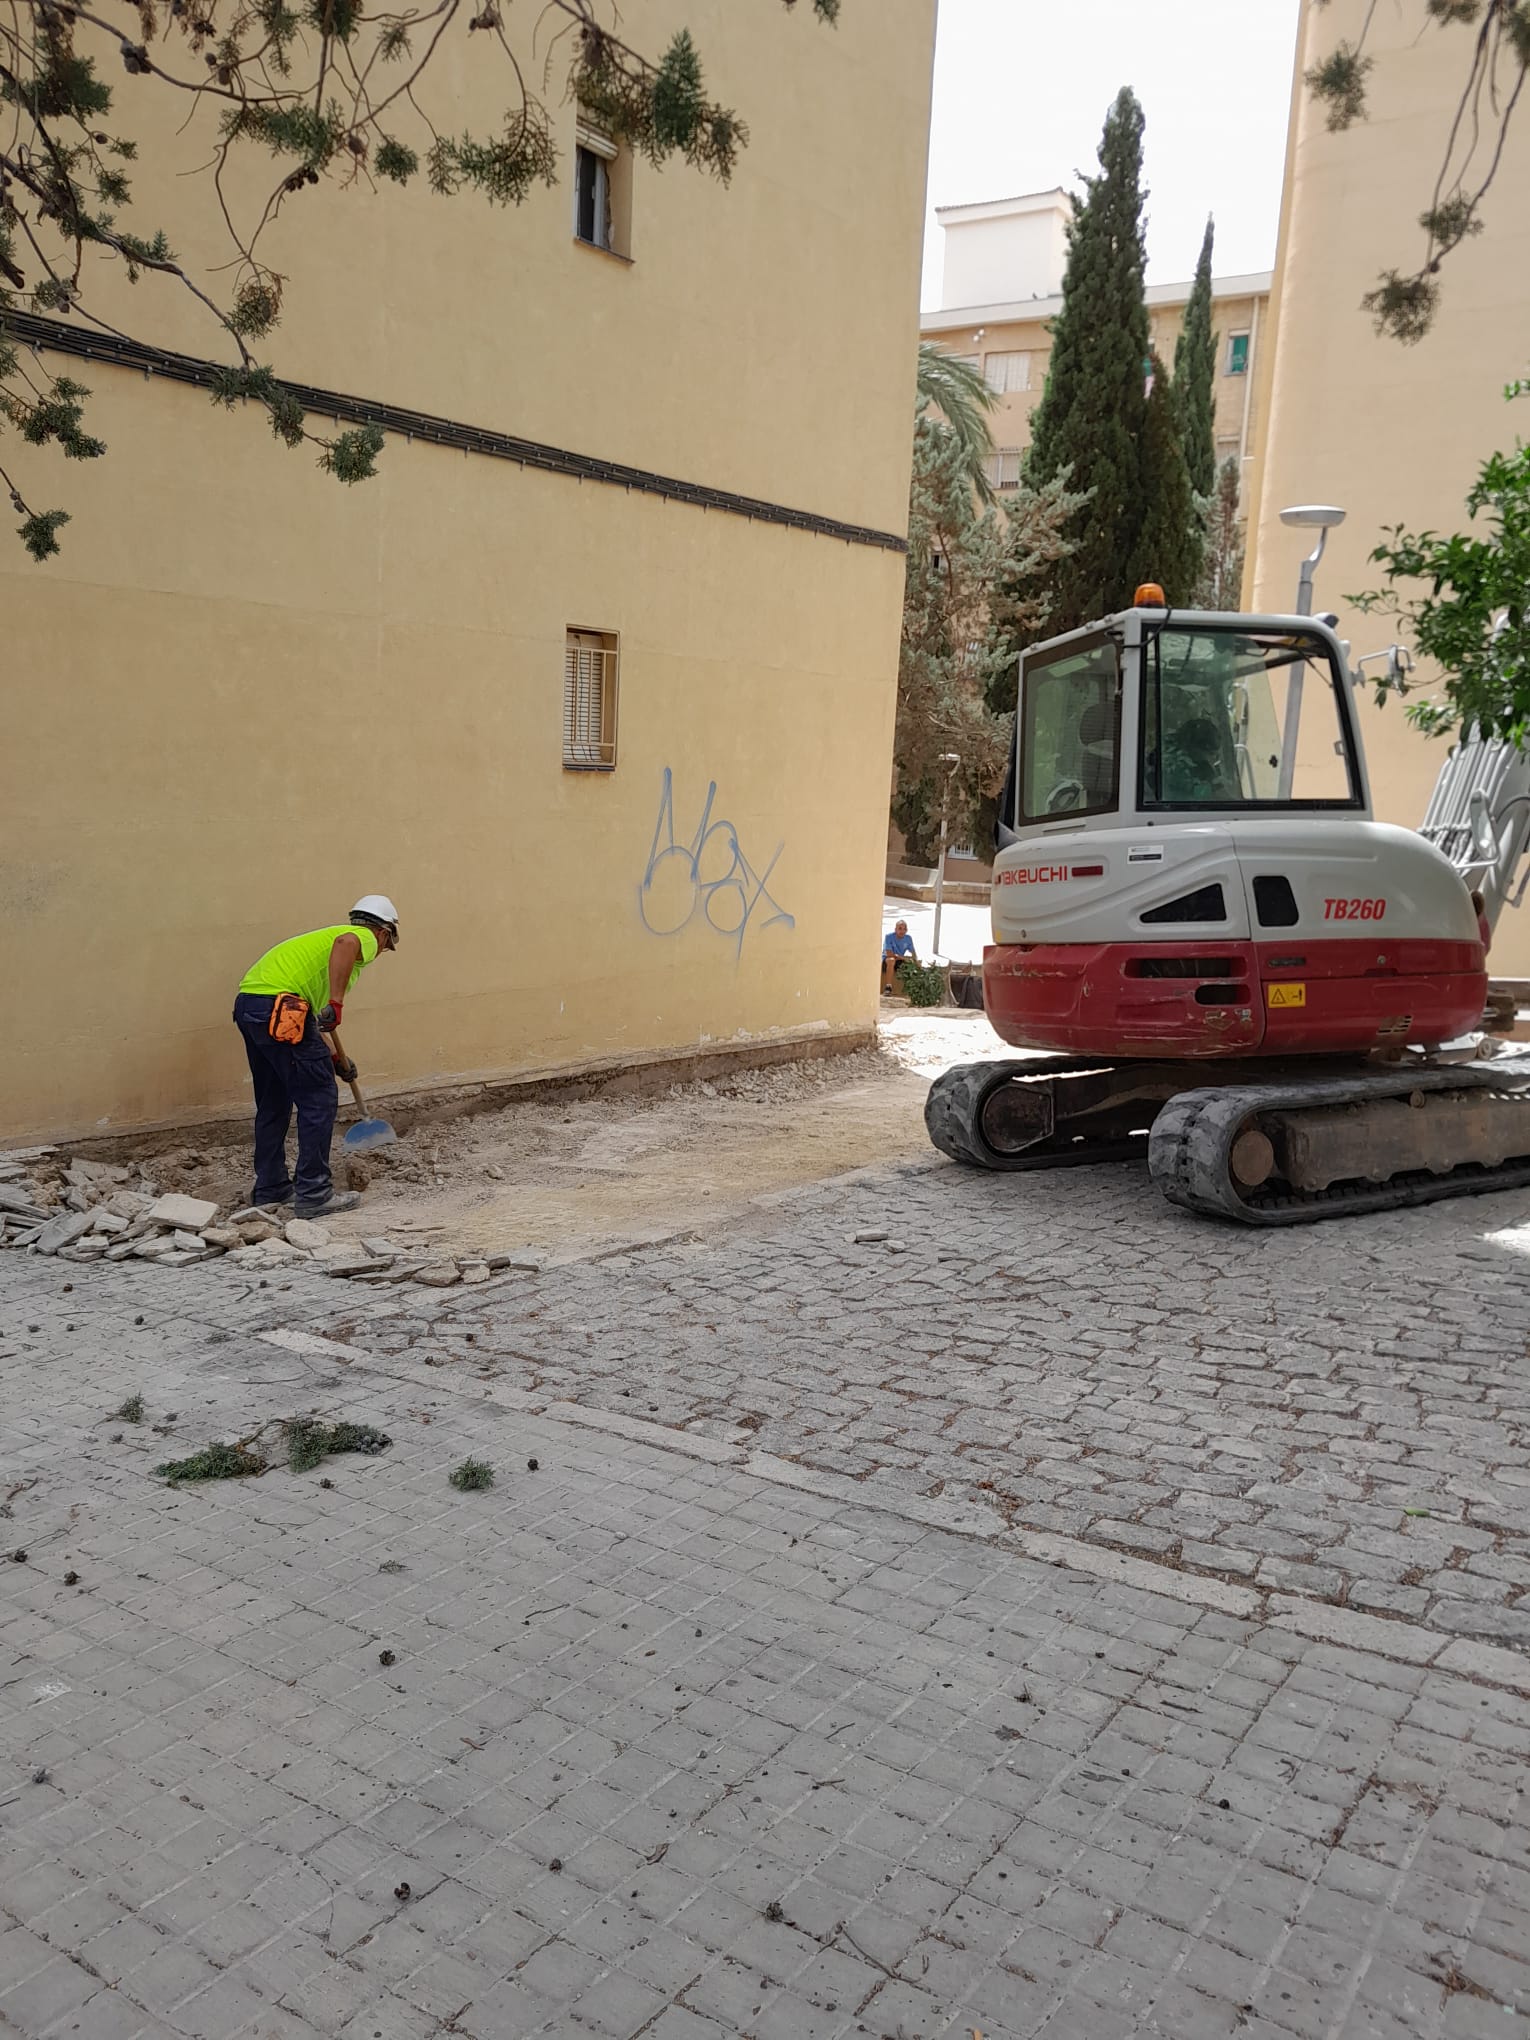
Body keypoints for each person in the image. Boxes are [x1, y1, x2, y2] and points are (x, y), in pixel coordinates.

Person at [233, 896, 399, 1218]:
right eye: (386, 945)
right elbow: (347, 942)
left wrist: (337, 1058)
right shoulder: (357, 936)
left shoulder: (317, 956)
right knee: (319, 1098)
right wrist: (337, 1003)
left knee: (274, 1101)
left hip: (253, 1006)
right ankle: (314, 1192)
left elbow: (310, 1021)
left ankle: (271, 1187)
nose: (379, 952)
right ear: (382, 932)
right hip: (280, 1008)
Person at [882, 919, 917, 994]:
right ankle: (888, 987)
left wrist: (915, 960)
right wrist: (903, 958)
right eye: (900, 928)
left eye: (904, 929)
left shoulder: (908, 938)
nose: (902, 931)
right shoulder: (889, 937)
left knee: (912, 964)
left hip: (899, 960)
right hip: (887, 961)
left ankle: (912, 988)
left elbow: (913, 953)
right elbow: (889, 953)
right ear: (895, 929)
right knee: (891, 960)